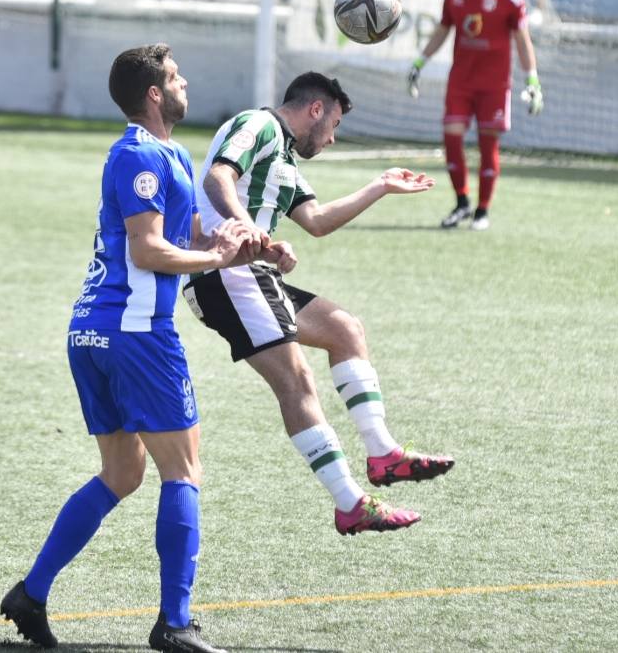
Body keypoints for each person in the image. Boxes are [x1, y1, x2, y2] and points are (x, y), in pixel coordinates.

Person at [0, 44, 260, 653]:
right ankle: (174, 624)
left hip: (95, 331)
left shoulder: (169, 153)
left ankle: (29, 595)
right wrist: (213, 260)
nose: (184, 82)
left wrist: (245, 242)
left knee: (122, 474)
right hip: (135, 334)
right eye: (175, 77)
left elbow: (187, 231)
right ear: (154, 94)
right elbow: (147, 250)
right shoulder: (137, 154)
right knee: (183, 470)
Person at [183, 72, 452, 539]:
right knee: (297, 379)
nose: (331, 138)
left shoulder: (285, 162)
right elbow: (217, 177)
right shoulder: (259, 125)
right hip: (224, 274)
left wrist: (380, 186)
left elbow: (318, 220)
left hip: (252, 274)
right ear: (315, 108)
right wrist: (251, 231)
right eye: (335, 124)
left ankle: (383, 454)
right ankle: (351, 504)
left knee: (345, 329)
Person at [407, 0, 543, 231]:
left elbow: (523, 41)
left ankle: (482, 210)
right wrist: (420, 62)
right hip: (461, 83)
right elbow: (442, 31)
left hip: (494, 87)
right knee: (452, 137)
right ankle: (462, 202)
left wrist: (532, 78)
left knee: (487, 145)